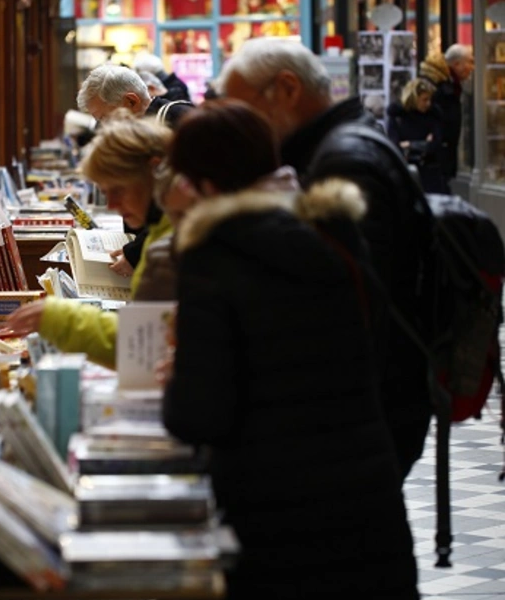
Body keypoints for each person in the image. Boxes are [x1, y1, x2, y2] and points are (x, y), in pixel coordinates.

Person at [163, 99, 419, 600]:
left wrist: (177, 377)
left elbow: (200, 416)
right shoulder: (335, 230)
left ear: (208, 183)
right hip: (366, 491)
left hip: (272, 514)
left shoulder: (215, 252)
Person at [219, 37, 432, 481]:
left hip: (365, 407)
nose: (240, 130)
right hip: (368, 401)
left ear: (288, 88)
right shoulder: (335, 147)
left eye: (245, 112)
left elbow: (353, 303)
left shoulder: (343, 161)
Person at [4, 115, 174, 367]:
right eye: (106, 193)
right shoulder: (163, 230)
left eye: (118, 190)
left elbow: (145, 344)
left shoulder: (175, 241)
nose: (112, 206)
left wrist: (62, 319)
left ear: (155, 170)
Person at [77, 64, 193, 276]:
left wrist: (137, 252)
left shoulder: (178, 121)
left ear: (131, 101)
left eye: (103, 119)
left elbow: (183, 206)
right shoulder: (147, 126)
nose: (103, 129)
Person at [419, 46, 474, 183]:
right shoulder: (439, 86)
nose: (472, 67)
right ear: (456, 64)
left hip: (443, 153)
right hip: (436, 155)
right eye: (469, 62)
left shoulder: (451, 85)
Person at [387, 78, 448, 193]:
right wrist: (423, 143)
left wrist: (409, 144)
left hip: (430, 174)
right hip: (406, 174)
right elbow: (395, 146)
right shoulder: (398, 116)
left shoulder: (433, 115)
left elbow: (434, 144)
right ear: (414, 98)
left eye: (430, 100)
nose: (428, 104)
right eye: (424, 100)